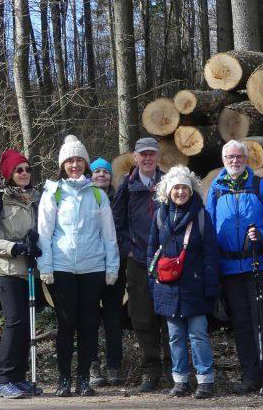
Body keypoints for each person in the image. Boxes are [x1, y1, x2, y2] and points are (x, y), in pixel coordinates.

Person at [37, 135, 121, 397]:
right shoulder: (54, 192)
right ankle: (64, 379)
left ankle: (84, 379)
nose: (75, 165)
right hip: (62, 268)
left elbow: (109, 235)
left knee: (88, 325)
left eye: (79, 160)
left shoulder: (97, 194)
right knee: (66, 325)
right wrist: (46, 266)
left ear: (85, 163)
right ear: (63, 165)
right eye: (70, 160)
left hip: (93, 269)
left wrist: (112, 268)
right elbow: (44, 233)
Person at [205, 139, 263, 396]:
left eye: (239, 157)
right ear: (223, 160)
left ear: (246, 160)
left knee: (261, 322)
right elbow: (209, 229)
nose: (235, 162)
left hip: (255, 264)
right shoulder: (215, 189)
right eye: (230, 158)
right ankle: (250, 376)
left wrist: (261, 234)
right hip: (228, 268)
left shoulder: (262, 186)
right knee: (240, 323)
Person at [147, 166, 220, 399]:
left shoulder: (201, 215)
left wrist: (211, 287)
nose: (180, 192)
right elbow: (151, 251)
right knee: (175, 336)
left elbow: (210, 254)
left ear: (191, 190)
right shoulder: (160, 215)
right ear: (168, 191)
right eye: (176, 187)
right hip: (168, 286)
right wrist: (154, 283)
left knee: (198, 334)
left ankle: (205, 380)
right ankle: (180, 381)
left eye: (184, 188)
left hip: (195, 285)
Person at [0, 149, 44, 399]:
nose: (24, 173)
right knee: (15, 321)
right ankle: (5, 379)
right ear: (9, 174)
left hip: (28, 270)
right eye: (19, 170)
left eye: (27, 169)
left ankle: (19, 377)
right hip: (5, 269)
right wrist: (14, 247)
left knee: (27, 325)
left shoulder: (34, 198)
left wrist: (35, 243)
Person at [112, 138, 168, 392]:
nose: (147, 159)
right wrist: (129, 250)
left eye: (151, 155)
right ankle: (151, 370)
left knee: (171, 316)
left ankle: (176, 370)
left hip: (168, 260)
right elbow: (118, 222)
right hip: (138, 261)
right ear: (135, 157)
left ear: (157, 157)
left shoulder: (169, 183)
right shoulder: (127, 186)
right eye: (143, 155)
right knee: (142, 317)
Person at [88, 157, 123, 387]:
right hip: (89, 266)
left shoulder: (119, 198)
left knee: (113, 319)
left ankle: (114, 365)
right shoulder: (84, 197)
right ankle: (92, 365)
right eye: (97, 171)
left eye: (106, 172)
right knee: (89, 319)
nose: (101, 175)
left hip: (114, 266)